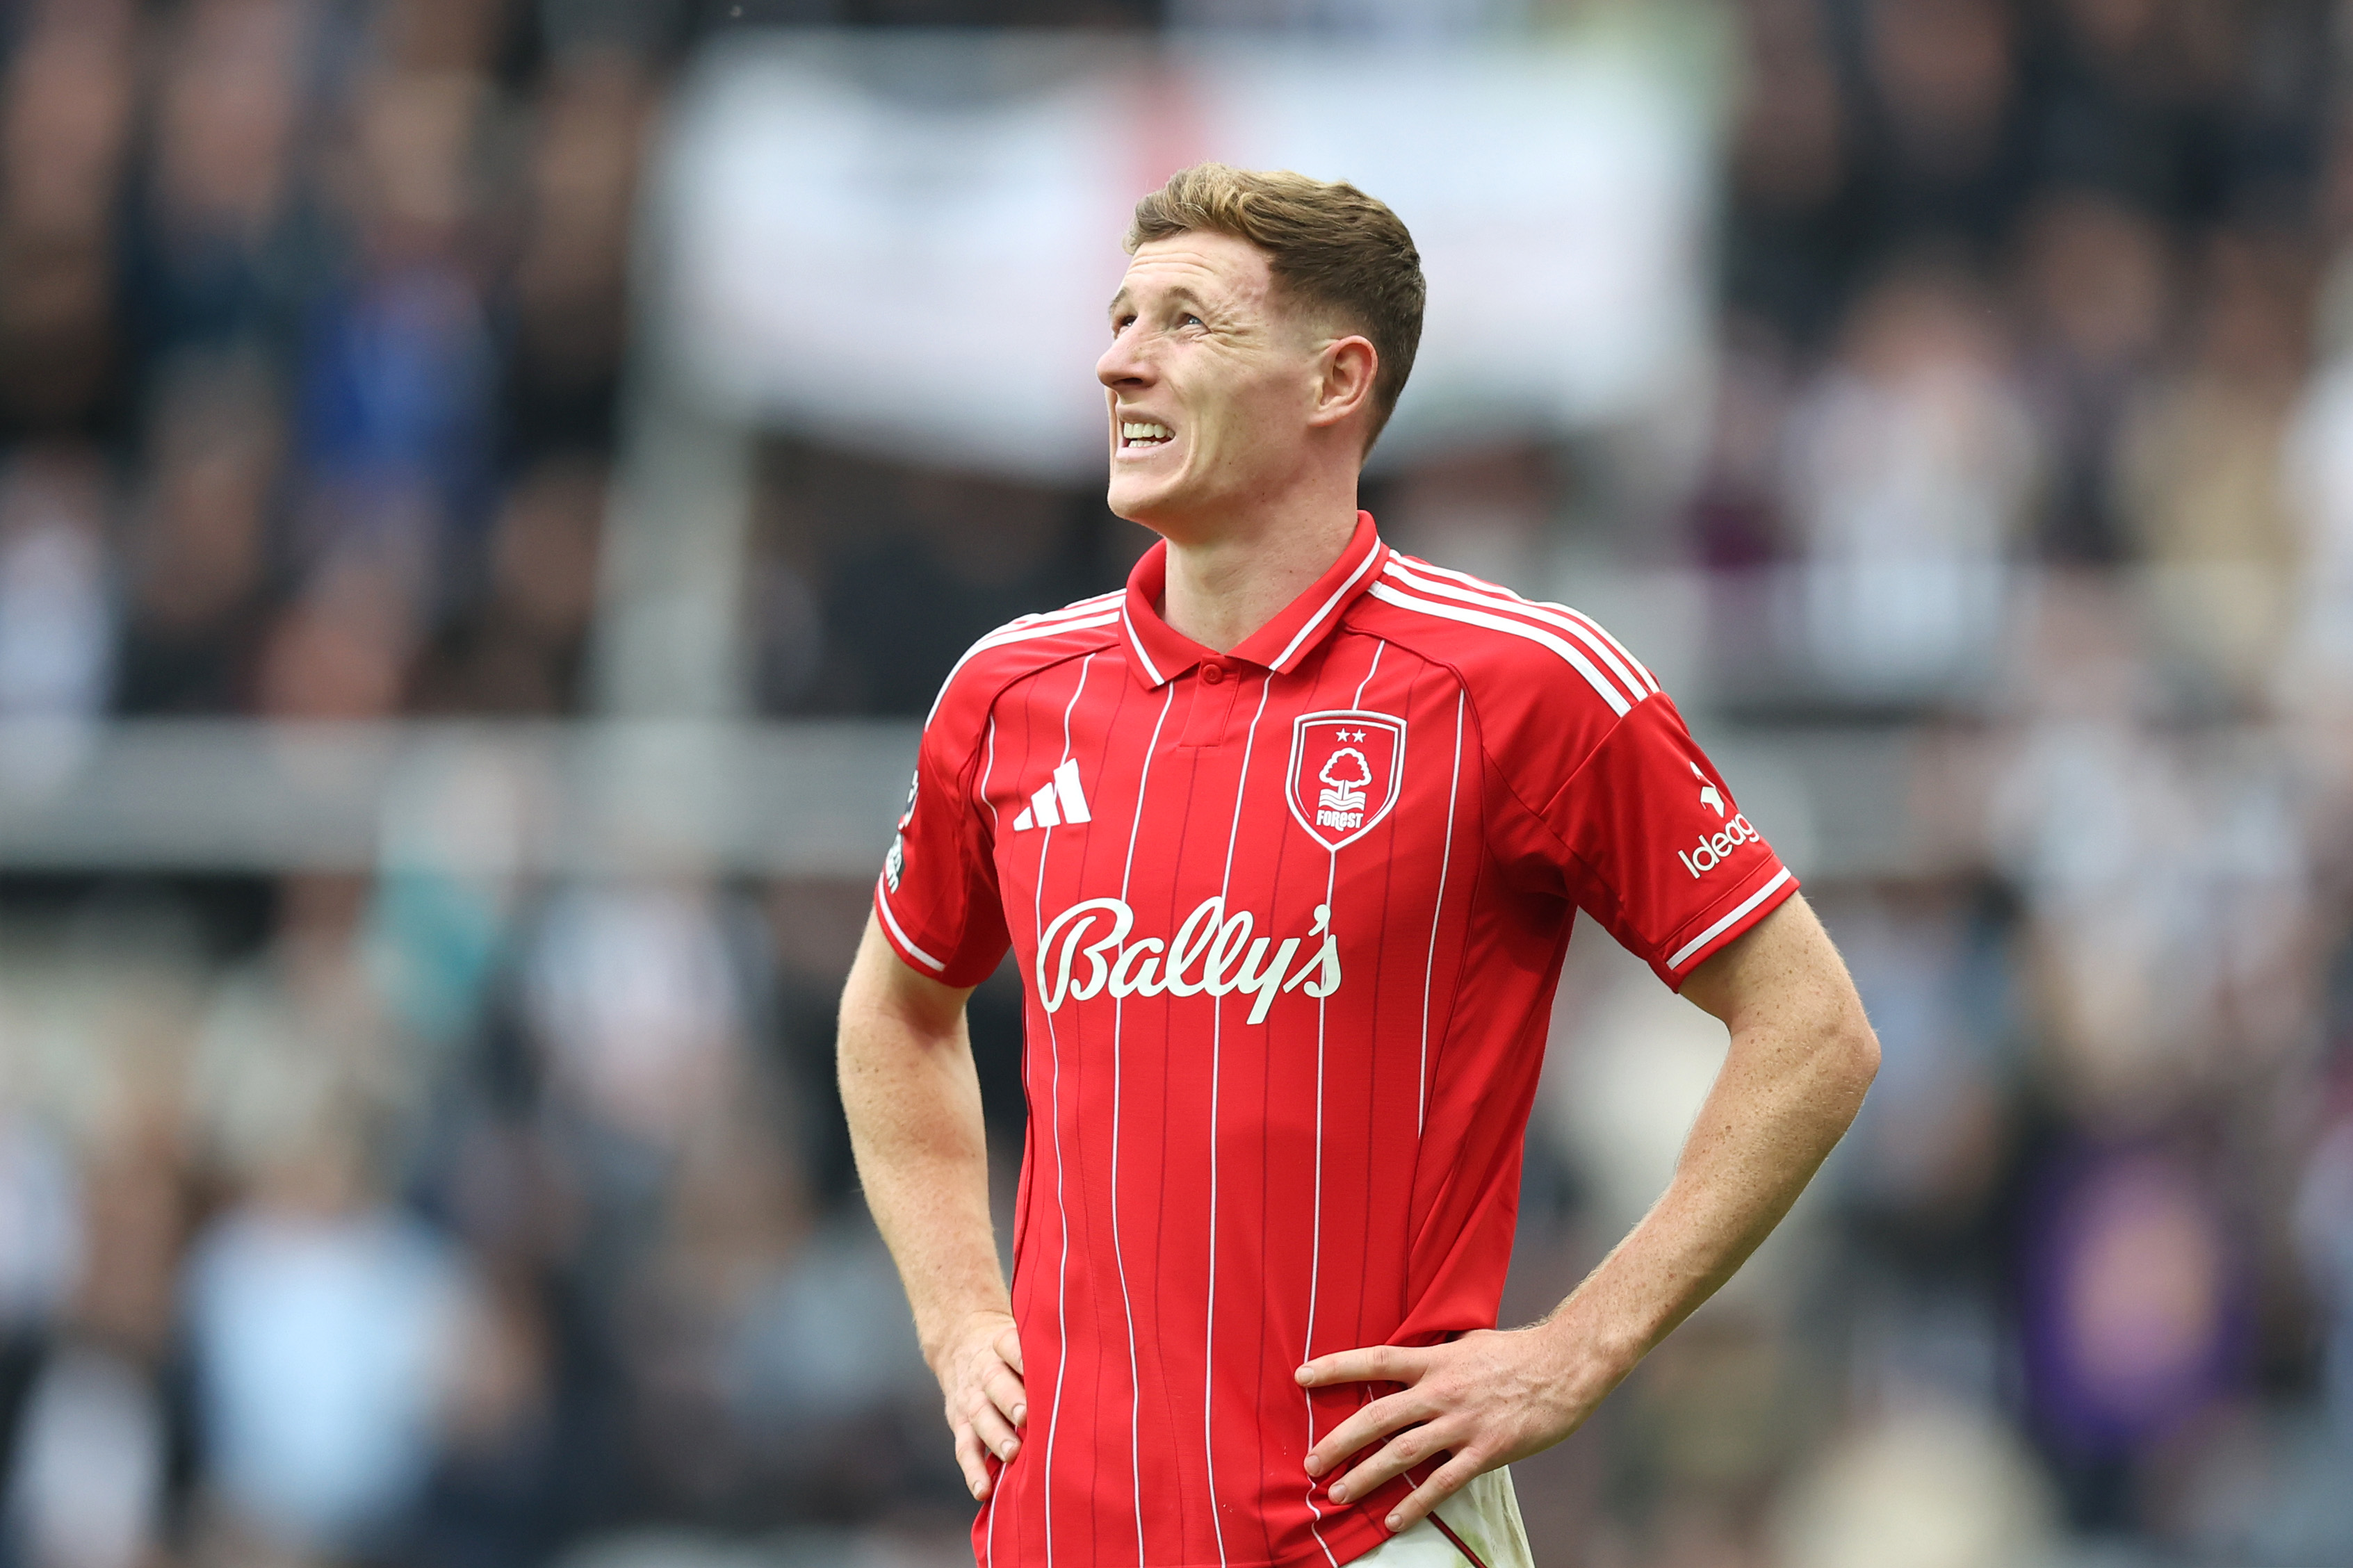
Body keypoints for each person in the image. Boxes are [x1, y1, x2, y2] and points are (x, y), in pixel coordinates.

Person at [838, 163, 1880, 1568]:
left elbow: (1812, 1030)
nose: (1119, 361)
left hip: (1367, 1535)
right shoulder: (1009, 695)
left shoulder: (1522, 684)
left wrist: (1579, 1349)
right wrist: (958, 1313)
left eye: (1186, 322)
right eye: (1120, 318)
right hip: (1060, 1533)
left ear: (1335, 380)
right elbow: (896, 1010)